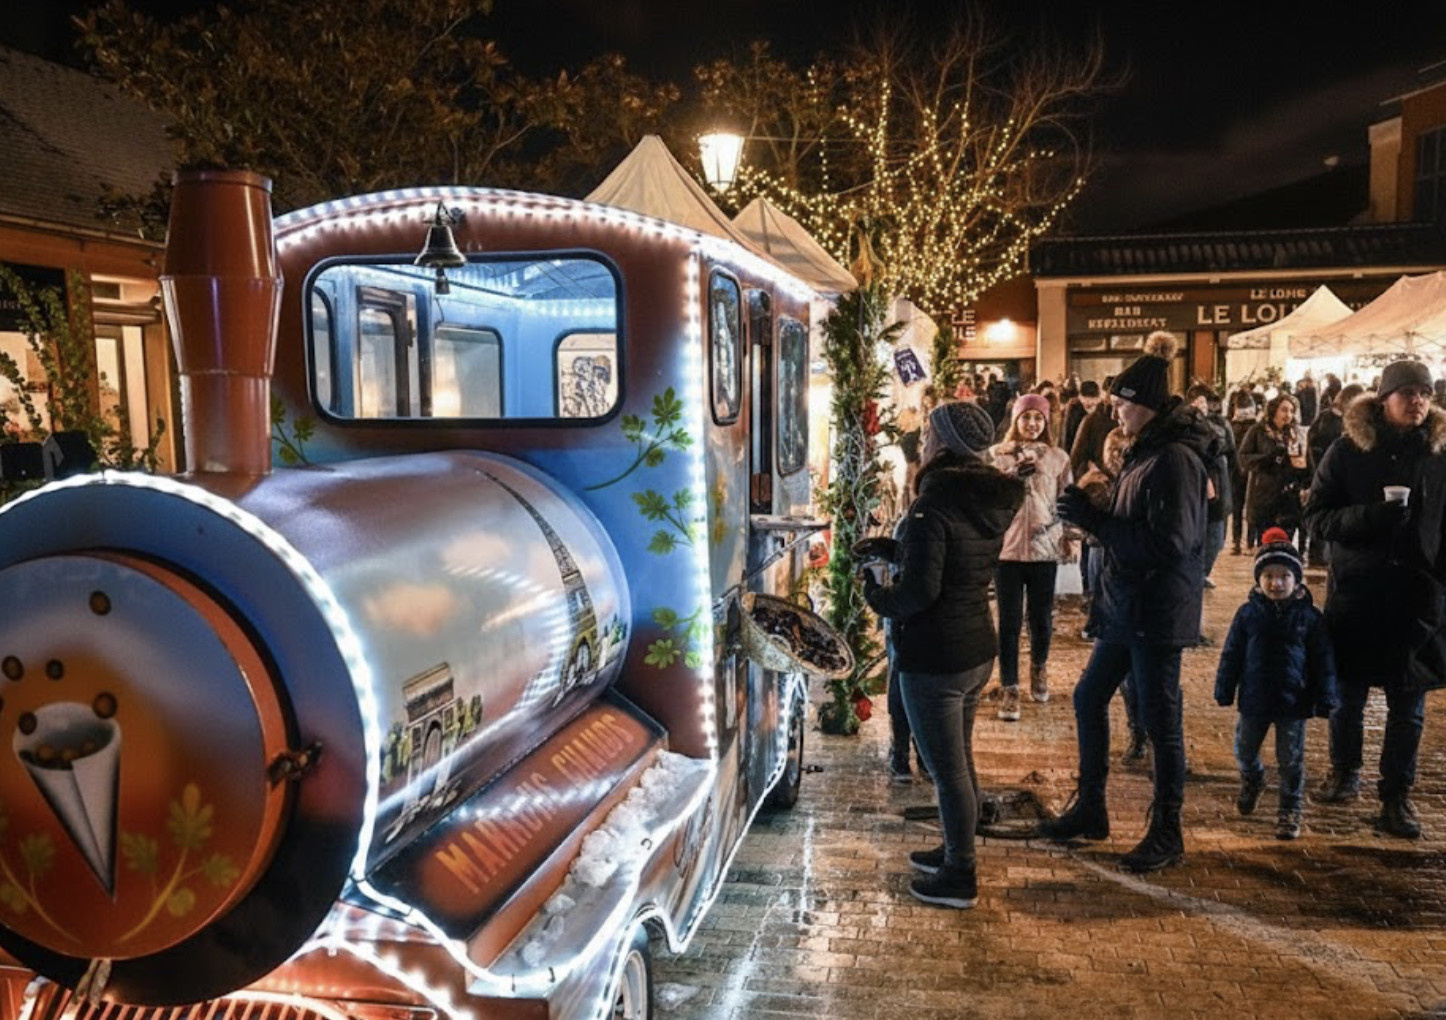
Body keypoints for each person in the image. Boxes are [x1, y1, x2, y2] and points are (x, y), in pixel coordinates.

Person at [1042, 331, 1212, 872]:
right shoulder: (1145, 450)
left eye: (1121, 403)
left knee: (1162, 720)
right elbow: (1132, 520)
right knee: (1090, 696)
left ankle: (1167, 829)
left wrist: (1098, 522)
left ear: (1146, 404)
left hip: (1156, 610)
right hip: (1125, 605)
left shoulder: (1176, 459)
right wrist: (1092, 507)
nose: (1115, 412)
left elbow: (1170, 542)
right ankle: (1092, 807)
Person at [863, 400, 1024, 907]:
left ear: (945, 444)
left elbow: (919, 594)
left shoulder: (934, 502)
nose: (923, 441)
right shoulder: (983, 496)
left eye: (930, 433)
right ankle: (957, 848)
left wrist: (874, 595)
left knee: (946, 770)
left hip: (936, 655)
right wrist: (893, 549)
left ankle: (960, 874)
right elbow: (955, 560)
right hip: (975, 645)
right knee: (960, 762)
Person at [1303, 359, 1446, 839]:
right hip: (1359, 596)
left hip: (1419, 599)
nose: (1418, 401)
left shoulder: (1439, 454)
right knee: (1349, 696)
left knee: (1409, 706)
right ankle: (1344, 773)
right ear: (1384, 398)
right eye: (1407, 392)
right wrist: (1370, 518)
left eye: (1424, 393)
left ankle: (1396, 796)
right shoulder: (1348, 451)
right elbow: (1317, 518)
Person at [1213, 528, 1338, 840]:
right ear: (1258, 579)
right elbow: (1232, 654)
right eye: (1268, 575)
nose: (1276, 582)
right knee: (1244, 749)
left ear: (1297, 580)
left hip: (1293, 702)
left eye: (1284, 576)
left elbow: (1323, 660)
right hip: (1254, 698)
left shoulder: (1309, 617)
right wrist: (1224, 687)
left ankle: (1289, 808)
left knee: (1291, 759)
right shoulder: (1247, 614)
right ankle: (1253, 778)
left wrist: (1326, 696)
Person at [988, 393, 1073, 717]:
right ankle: (1009, 687)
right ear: (1015, 420)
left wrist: (1070, 539)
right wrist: (1010, 476)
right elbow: (989, 498)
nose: (1032, 424)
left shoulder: (1058, 458)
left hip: (1044, 549)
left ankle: (1039, 668)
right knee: (1008, 622)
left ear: (1046, 422)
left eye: (1039, 418)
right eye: (1027, 417)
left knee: (1040, 620)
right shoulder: (998, 455)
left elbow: (1066, 501)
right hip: (1008, 551)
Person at [1076, 426, 1149, 764]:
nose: (1117, 458)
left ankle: (1147, 736)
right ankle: (1138, 731)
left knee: (1145, 676)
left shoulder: (1145, 482)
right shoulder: (1101, 483)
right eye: (1113, 452)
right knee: (1107, 682)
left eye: (1124, 452)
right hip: (1105, 570)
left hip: (1140, 588)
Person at [1238, 393, 1307, 546]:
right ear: (1274, 410)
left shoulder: (1296, 433)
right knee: (1266, 543)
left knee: (1285, 543)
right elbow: (1243, 458)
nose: (1288, 415)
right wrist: (1267, 458)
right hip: (1264, 494)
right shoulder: (1258, 431)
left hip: (1289, 497)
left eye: (1291, 411)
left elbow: (1304, 460)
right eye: (1284, 410)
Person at [1186, 383, 1234, 590]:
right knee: (1197, 534)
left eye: (1204, 402)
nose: (1202, 406)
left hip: (1220, 483)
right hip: (1196, 485)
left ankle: (1203, 571)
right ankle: (1196, 573)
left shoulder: (1220, 423)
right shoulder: (1184, 425)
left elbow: (1231, 451)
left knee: (1217, 537)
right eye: (1197, 402)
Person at [1063, 379, 1101, 456]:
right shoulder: (1073, 411)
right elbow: (1068, 437)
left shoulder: (1103, 412)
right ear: (1080, 397)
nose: (1091, 409)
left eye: (1093, 404)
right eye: (1088, 406)